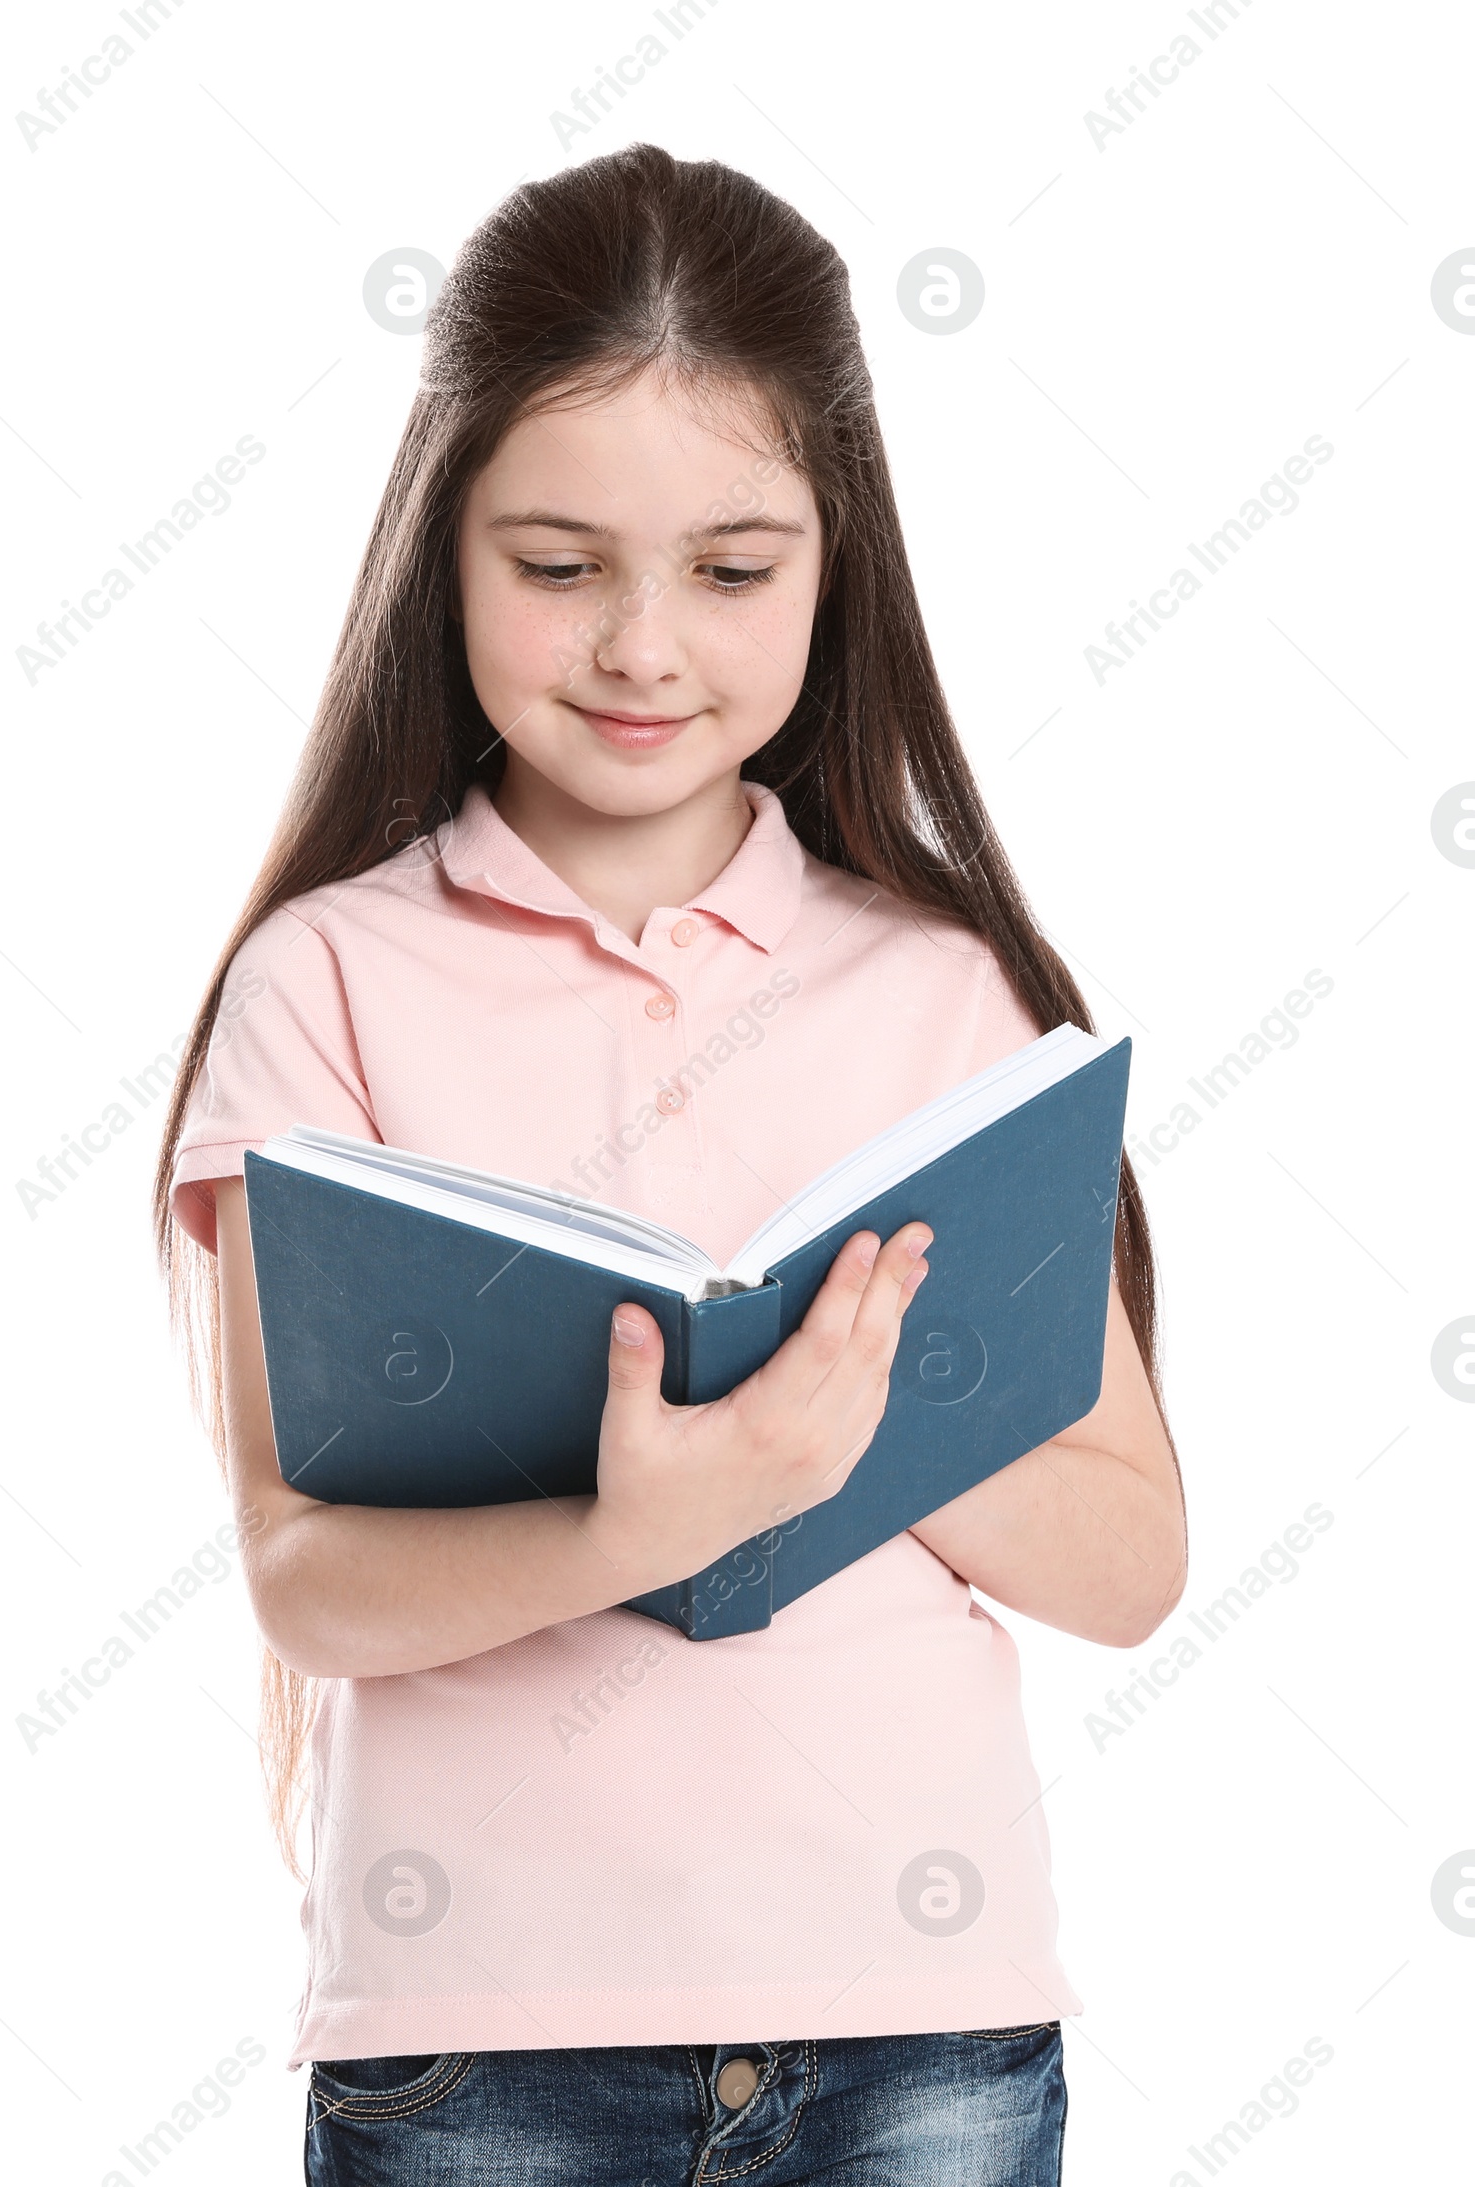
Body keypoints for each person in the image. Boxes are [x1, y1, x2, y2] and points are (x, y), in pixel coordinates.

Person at [154, 142, 1186, 2186]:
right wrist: (645, 1520)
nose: (641, 645)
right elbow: (305, 1576)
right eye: (557, 564)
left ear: (832, 564)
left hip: (918, 2021)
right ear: (439, 553)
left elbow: (1129, 1561)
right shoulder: (325, 983)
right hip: (483, 2052)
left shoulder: (942, 987)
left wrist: (833, 1424)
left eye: (729, 570)